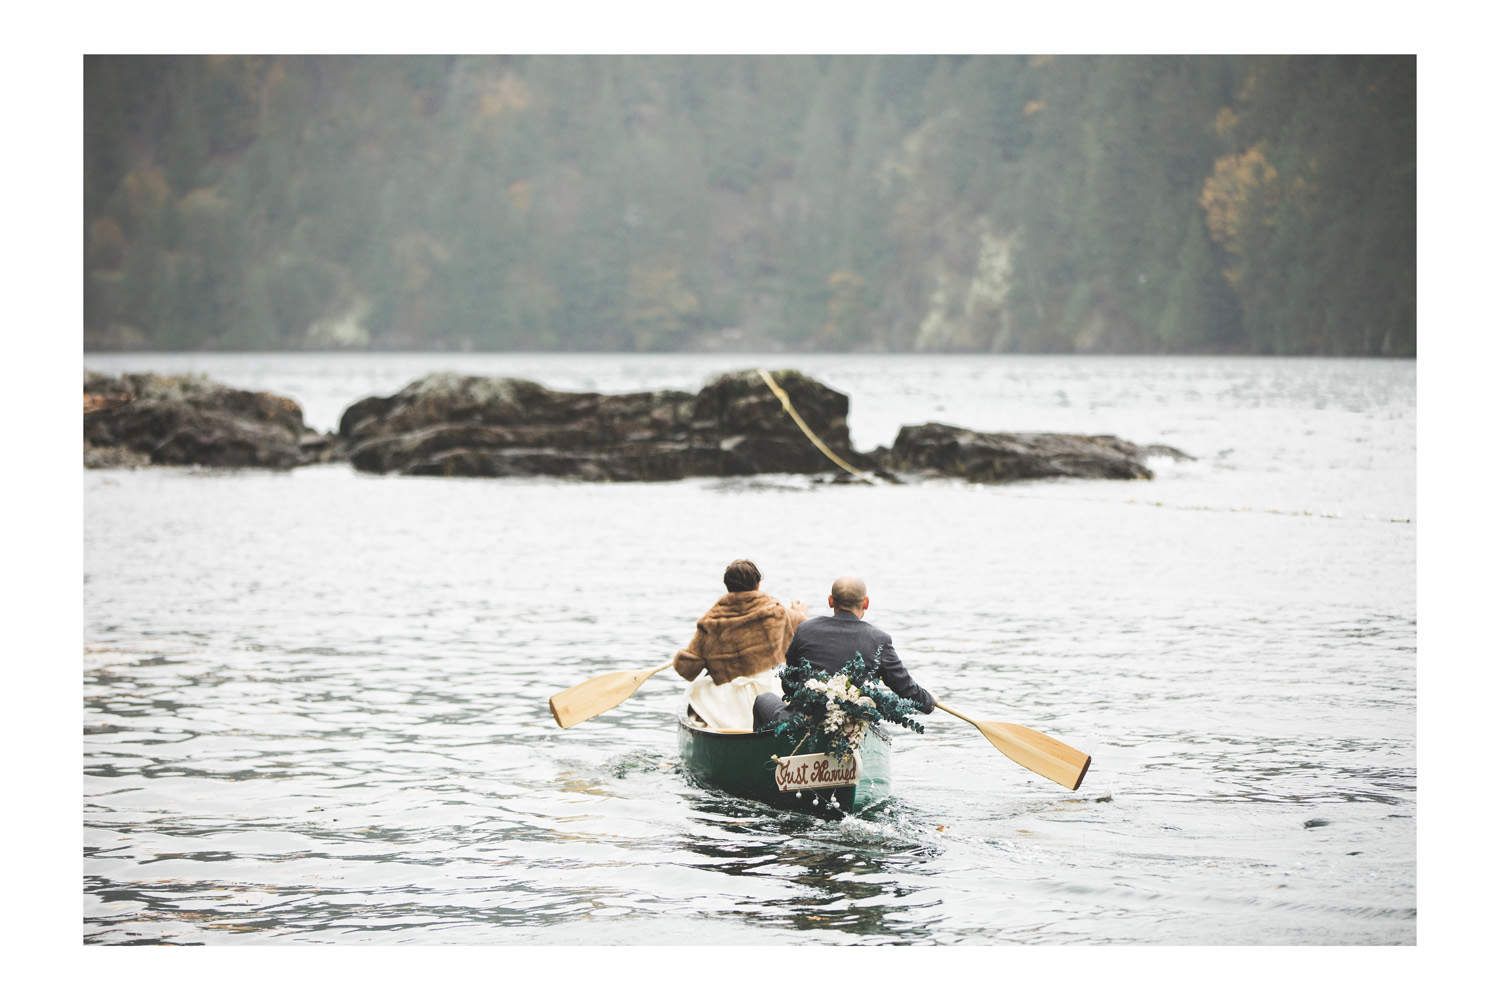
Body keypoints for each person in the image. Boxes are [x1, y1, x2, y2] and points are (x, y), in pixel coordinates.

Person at [753, 575, 935, 730]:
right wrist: (929, 702)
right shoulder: (879, 640)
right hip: (850, 724)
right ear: (866, 603)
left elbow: (789, 683)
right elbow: (905, 687)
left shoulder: (805, 629)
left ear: (831, 600)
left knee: (763, 699)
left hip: (801, 720)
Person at [673, 559, 808, 731]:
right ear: (758, 585)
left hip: (725, 700)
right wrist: (800, 612)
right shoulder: (776, 611)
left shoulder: (710, 621)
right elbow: (804, 628)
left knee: (696, 693)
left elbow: (687, 669)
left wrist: (689, 657)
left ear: (727, 587)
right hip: (770, 689)